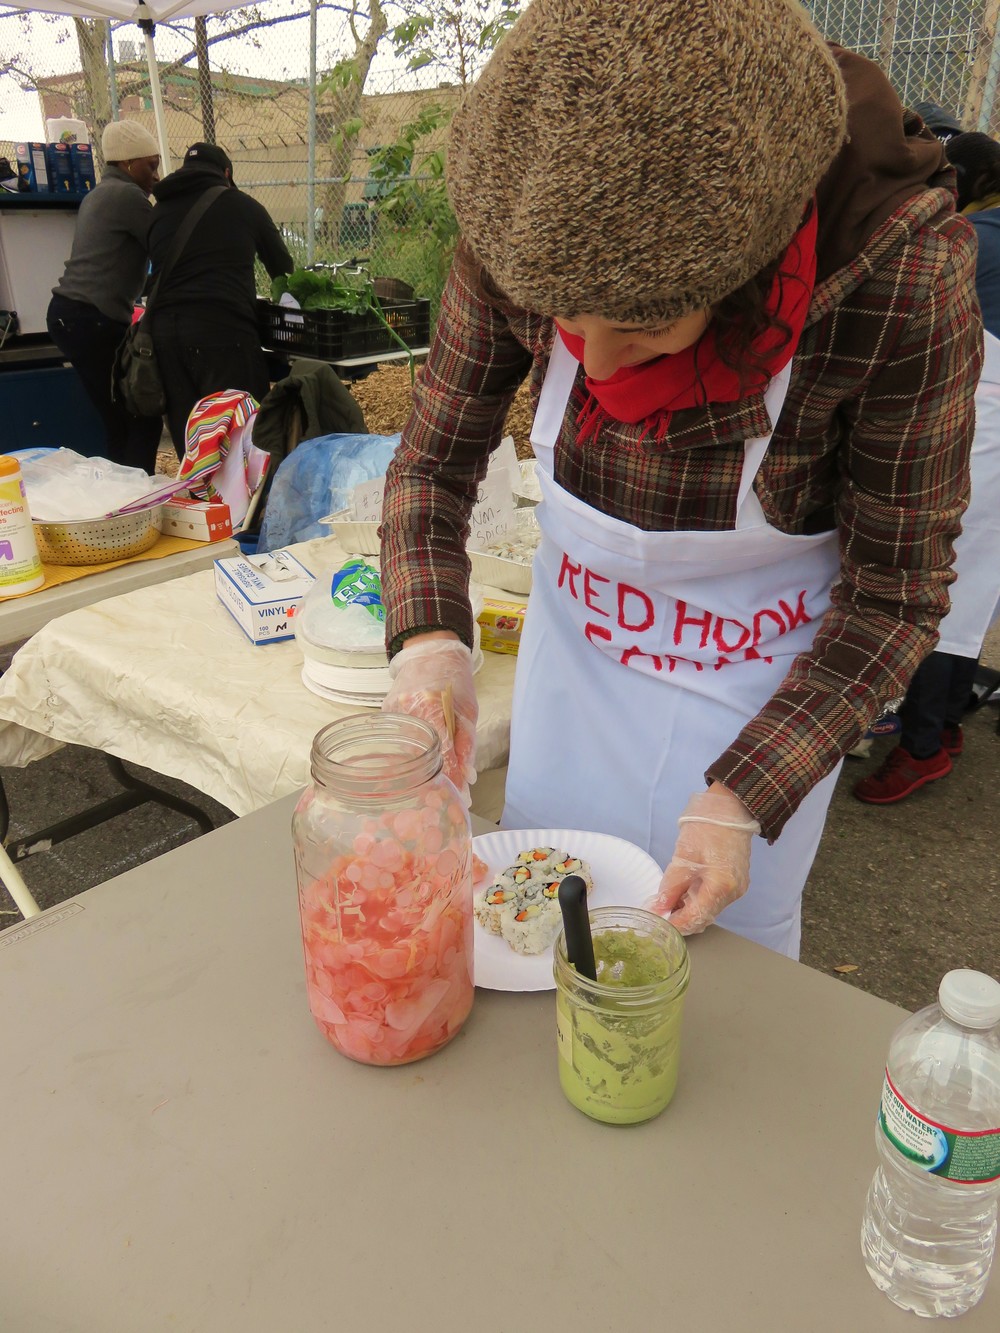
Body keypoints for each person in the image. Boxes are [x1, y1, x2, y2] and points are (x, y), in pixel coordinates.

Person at [378, 0, 983, 960]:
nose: (602, 370)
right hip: (576, 674)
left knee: (714, 993)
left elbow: (895, 596)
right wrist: (427, 643)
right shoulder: (517, 214)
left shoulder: (897, 282)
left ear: (748, 264)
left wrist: (746, 792)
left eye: (646, 327)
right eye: (567, 324)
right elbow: (432, 469)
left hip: (767, 697)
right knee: (533, 930)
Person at [855, 130, 1000, 804]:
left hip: (977, 429)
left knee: (937, 577)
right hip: (987, 427)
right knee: (974, 584)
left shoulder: (974, 242)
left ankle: (919, 746)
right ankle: (943, 725)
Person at [146, 143, 293, 454]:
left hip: (165, 336)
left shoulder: (158, 212)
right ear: (226, 174)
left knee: (192, 439)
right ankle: (242, 502)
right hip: (225, 332)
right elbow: (283, 269)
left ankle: (199, 500)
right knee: (243, 435)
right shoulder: (244, 206)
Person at [47, 119, 163, 473]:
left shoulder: (98, 194)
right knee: (140, 415)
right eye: (151, 165)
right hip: (90, 319)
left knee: (119, 420)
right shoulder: (127, 196)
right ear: (128, 164)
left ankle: (117, 500)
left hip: (74, 316)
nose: (156, 176)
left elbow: (115, 267)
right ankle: (133, 504)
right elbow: (169, 244)